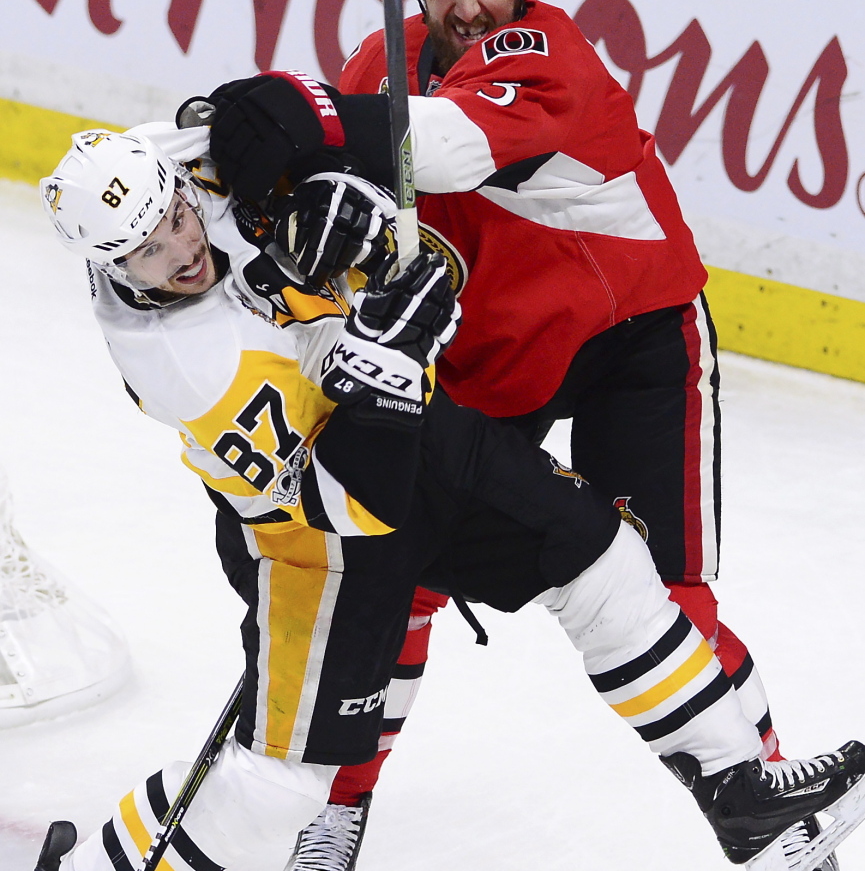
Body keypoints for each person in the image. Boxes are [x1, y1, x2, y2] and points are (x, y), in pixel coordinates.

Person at [190, 0, 837, 868]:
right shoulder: (382, 61)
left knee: (660, 604)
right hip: (487, 357)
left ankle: (770, 815)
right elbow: (324, 172)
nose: (464, 5)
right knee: (383, 564)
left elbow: (439, 148)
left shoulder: (547, 55)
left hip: (631, 343)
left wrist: (300, 109)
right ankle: (335, 804)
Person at [32, 123, 865, 871]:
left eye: (176, 219)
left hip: (421, 441)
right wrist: (389, 355)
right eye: (147, 253)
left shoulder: (167, 168)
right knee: (282, 782)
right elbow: (355, 499)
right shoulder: (185, 366)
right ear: (111, 267)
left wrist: (335, 186)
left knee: (601, 559)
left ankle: (736, 793)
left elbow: (257, 123)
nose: (180, 250)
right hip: (318, 540)